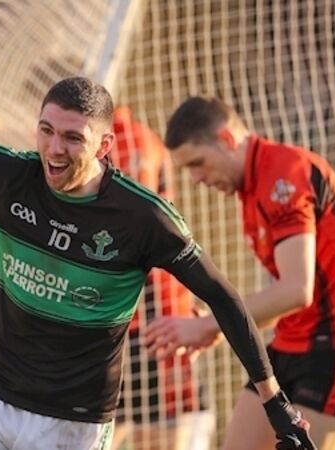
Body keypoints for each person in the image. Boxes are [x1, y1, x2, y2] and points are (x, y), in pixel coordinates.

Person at [0, 6, 314, 450]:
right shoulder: (2, 175)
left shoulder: (144, 217)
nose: (54, 148)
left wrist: (274, 401)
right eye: (46, 130)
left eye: (72, 138)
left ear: (105, 146)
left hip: (73, 422)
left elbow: (224, 298)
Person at [151, 96, 335, 450]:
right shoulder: (252, 189)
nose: (197, 179)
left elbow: (296, 289)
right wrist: (222, 327)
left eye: (198, 163)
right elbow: (290, 298)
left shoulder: (283, 172)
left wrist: (208, 324)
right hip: (291, 340)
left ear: (227, 139)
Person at [110, 106, 214, 450]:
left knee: (162, 434)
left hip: (152, 321)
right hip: (125, 323)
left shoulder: (129, 139)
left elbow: (137, 222)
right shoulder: (84, 140)